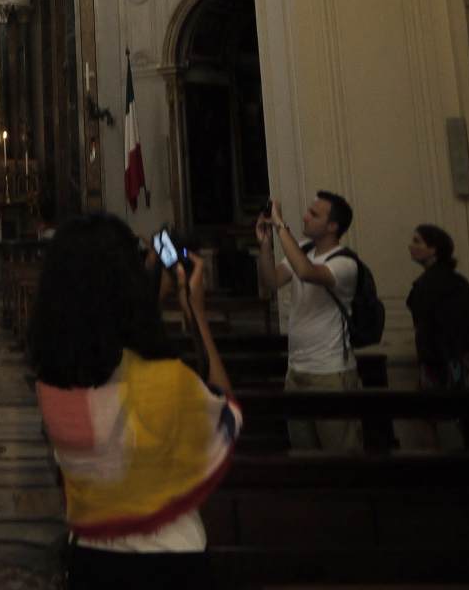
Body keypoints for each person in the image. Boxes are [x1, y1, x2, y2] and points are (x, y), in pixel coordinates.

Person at [31, 215, 240, 585]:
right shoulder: (165, 382)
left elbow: (110, 347)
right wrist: (197, 316)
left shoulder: (53, 385)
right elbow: (225, 417)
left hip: (91, 556)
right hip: (171, 559)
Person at [256, 191, 361, 450]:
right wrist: (266, 245)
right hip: (297, 370)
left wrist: (280, 225)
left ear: (333, 226)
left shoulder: (345, 263)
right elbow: (272, 281)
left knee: (340, 453)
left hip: (330, 372)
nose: (305, 216)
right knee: (304, 453)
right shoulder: (303, 250)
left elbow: (305, 272)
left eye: (314, 214)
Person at [406, 223, 469, 389]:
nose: (411, 246)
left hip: (440, 363)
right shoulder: (457, 281)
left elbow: (427, 328)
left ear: (433, 249)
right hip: (467, 359)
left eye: (417, 241)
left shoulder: (427, 285)